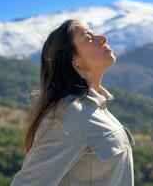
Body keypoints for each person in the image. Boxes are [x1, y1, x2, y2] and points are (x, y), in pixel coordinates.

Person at [10, 19, 135, 186]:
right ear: (73, 60)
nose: (103, 38)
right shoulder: (68, 116)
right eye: (88, 38)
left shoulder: (95, 109)